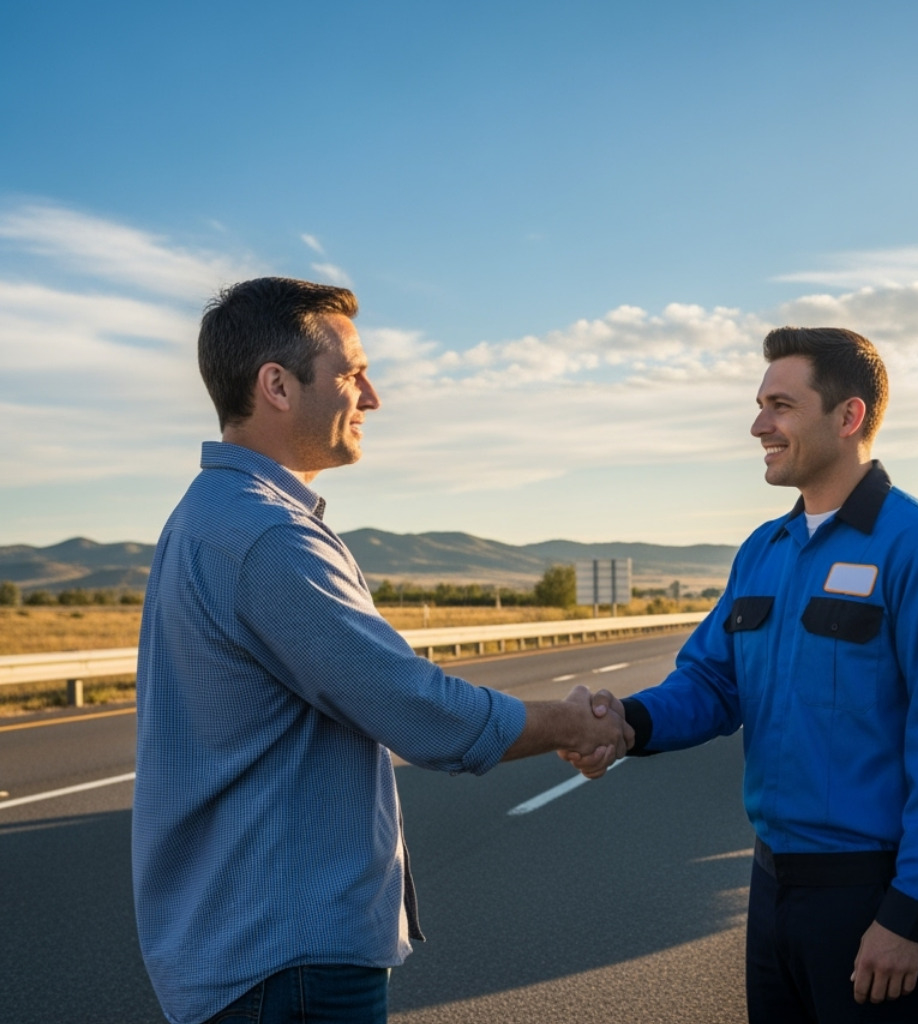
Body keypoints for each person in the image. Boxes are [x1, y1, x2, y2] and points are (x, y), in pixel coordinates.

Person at [132, 277, 631, 1024]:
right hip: (286, 963)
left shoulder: (207, 517)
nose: (372, 397)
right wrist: (572, 724)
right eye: (351, 373)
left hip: (240, 953)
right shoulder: (267, 537)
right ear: (276, 385)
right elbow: (416, 709)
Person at [565, 327, 918, 1023]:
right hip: (772, 889)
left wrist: (910, 914)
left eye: (781, 405)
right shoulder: (763, 552)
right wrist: (628, 724)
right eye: (762, 405)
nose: (759, 424)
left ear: (848, 416)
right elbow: (710, 682)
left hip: (869, 895)